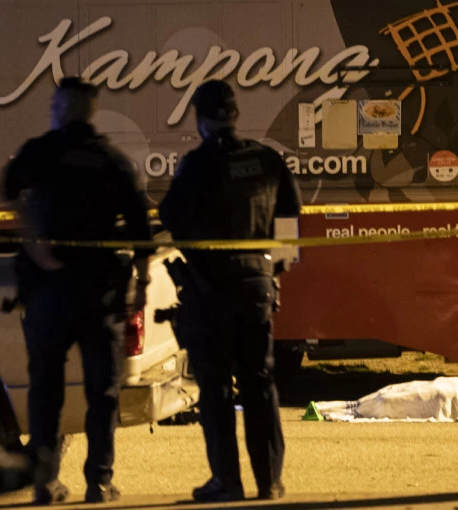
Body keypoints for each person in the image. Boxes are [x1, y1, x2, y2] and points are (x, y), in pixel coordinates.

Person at [0, 76, 152, 504]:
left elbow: (9, 192)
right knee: (102, 390)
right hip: (98, 293)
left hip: (47, 291)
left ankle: (44, 482)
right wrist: (141, 284)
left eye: (55, 103)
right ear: (91, 110)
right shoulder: (111, 161)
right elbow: (141, 231)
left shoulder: (39, 152)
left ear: (62, 108)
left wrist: (34, 241)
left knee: (45, 389)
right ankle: (99, 483)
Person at [158, 79, 301, 503]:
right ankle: (269, 481)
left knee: (217, 388)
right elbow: (290, 223)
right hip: (257, 285)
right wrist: (275, 270)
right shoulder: (266, 159)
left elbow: (172, 217)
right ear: (236, 115)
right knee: (260, 383)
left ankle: (227, 481)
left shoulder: (197, 164)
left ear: (200, 120)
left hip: (211, 291)